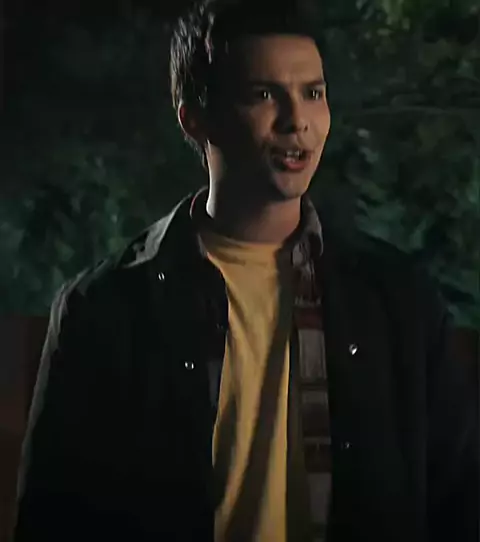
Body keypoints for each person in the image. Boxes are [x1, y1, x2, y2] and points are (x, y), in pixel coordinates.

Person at [13, 1, 478, 541]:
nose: (297, 121)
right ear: (195, 117)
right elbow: (52, 519)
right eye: (263, 95)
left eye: (313, 93)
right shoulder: (108, 307)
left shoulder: (397, 298)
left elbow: (458, 503)